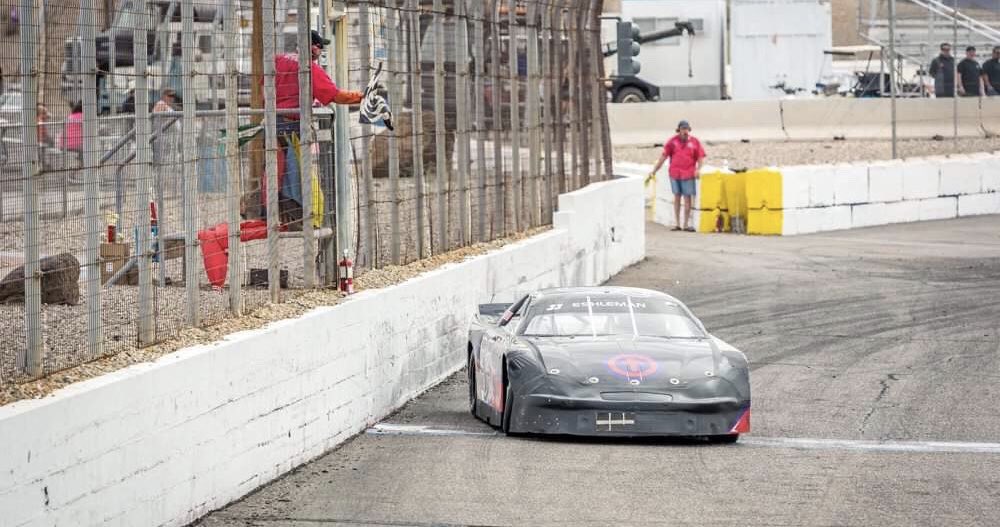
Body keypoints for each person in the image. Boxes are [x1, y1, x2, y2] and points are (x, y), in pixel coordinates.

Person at [268, 29, 365, 229]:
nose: (321, 52)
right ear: (314, 48)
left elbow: (263, 86)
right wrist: (361, 96)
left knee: (276, 171)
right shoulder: (309, 68)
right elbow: (335, 95)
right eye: (320, 47)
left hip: (272, 122)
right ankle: (303, 217)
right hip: (293, 126)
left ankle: (272, 214)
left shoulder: (277, 60)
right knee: (298, 175)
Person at [649, 120, 705, 232]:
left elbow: (700, 157)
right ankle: (677, 223)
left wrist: (698, 169)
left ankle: (686, 224)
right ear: (678, 130)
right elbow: (663, 157)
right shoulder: (672, 142)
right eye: (683, 129)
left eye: (686, 129)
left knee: (687, 198)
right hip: (675, 173)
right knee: (677, 197)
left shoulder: (695, 142)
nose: (685, 131)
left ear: (689, 129)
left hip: (688, 173)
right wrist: (654, 170)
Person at [60, 101, 84, 166]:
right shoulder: (83, 117)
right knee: (89, 148)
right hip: (76, 145)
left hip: (63, 145)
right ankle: (82, 165)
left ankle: (80, 163)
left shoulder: (69, 117)